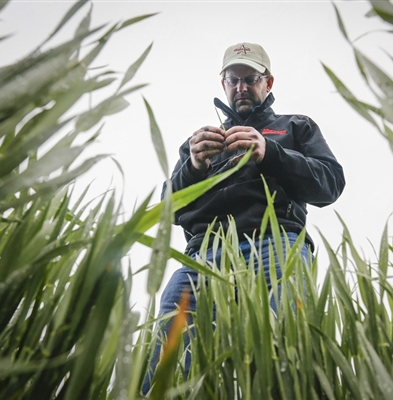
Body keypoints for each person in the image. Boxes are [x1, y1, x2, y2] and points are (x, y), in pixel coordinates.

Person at [142, 42, 345, 393]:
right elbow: (167, 212)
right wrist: (192, 167)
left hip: (275, 245)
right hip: (202, 257)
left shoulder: (295, 127)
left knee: (285, 350)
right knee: (169, 356)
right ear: (223, 84)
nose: (241, 87)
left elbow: (330, 184)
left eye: (250, 79)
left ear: (268, 82)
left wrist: (270, 153)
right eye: (233, 80)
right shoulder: (199, 144)